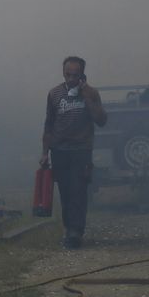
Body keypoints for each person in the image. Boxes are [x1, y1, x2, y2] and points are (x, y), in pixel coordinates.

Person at [41, 56, 107, 249]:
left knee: (78, 191)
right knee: (65, 192)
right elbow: (48, 125)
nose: (70, 79)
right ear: (63, 73)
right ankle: (69, 228)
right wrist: (45, 153)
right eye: (67, 74)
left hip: (82, 151)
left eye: (75, 75)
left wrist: (86, 95)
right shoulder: (54, 94)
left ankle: (76, 232)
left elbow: (101, 120)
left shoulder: (91, 93)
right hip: (59, 150)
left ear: (82, 74)